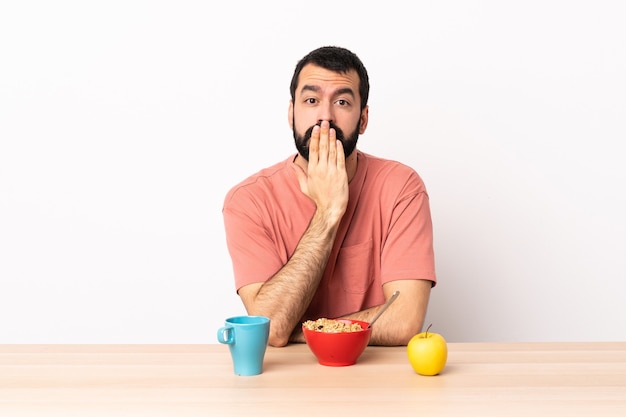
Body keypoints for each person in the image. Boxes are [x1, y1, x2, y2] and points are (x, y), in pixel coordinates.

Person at [222, 46, 436, 347]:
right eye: (311, 100)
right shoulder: (248, 201)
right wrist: (328, 212)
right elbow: (271, 326)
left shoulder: (402, 187)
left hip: (378, 380)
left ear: (363, 119)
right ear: (291, 113)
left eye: (342, 102)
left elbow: (405, 320)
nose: (325, 117)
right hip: (283, 386)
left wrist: (303, 331)